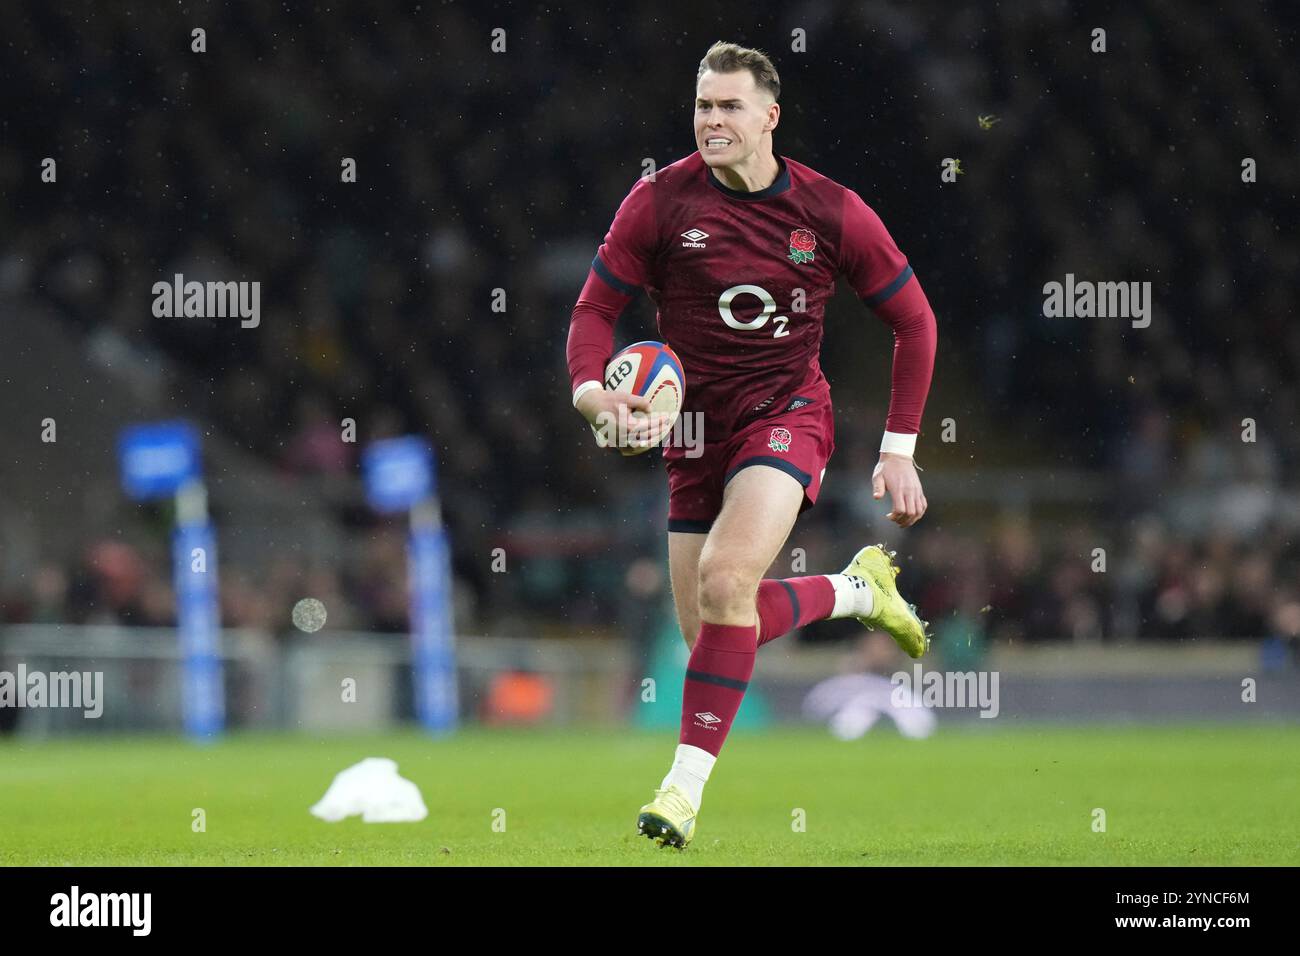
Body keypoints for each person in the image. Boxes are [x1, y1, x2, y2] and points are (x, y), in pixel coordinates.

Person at [565, 41, 938, 848]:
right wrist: (594, 395)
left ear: (770, 117)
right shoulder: (659, 201)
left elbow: (915, 320)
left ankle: (680, 791)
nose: (712, 120)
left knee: (729, 580)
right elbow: (594, 313)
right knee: (711, 630)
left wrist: (898, 448)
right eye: (703, 105)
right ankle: (854, 593)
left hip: (786, 411)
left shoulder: (830, 210)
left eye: (730, 106)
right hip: (691, 431)